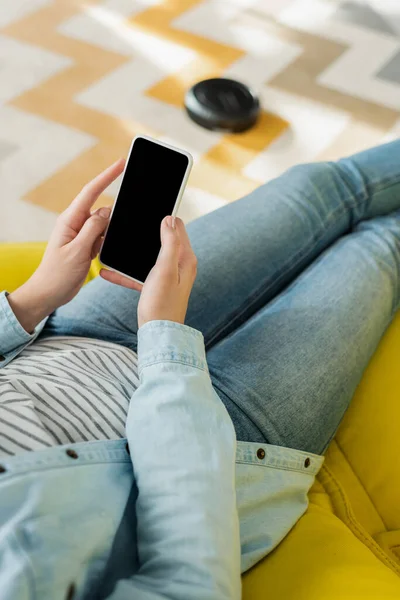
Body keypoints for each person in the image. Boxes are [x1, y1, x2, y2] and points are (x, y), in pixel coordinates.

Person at [0, 141, 399, 599]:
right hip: (226, 437)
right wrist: (164, 338)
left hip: (76, 338)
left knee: (321, 186)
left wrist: (32, 299)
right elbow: (188, 584)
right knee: (382, 244)